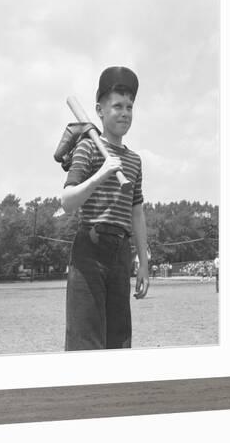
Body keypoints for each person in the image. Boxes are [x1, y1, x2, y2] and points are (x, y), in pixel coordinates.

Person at [61, 66, 149, 351]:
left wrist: (144, 263)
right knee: (85, 342)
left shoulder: (134, 161)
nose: (124, 113)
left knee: (119, 341)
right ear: (99, 110)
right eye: (117, 106)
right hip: (90, 249)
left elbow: (137, 213)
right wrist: (101, 174)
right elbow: (67, 201)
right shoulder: (87, 148)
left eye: (129, 107)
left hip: (121, 253)